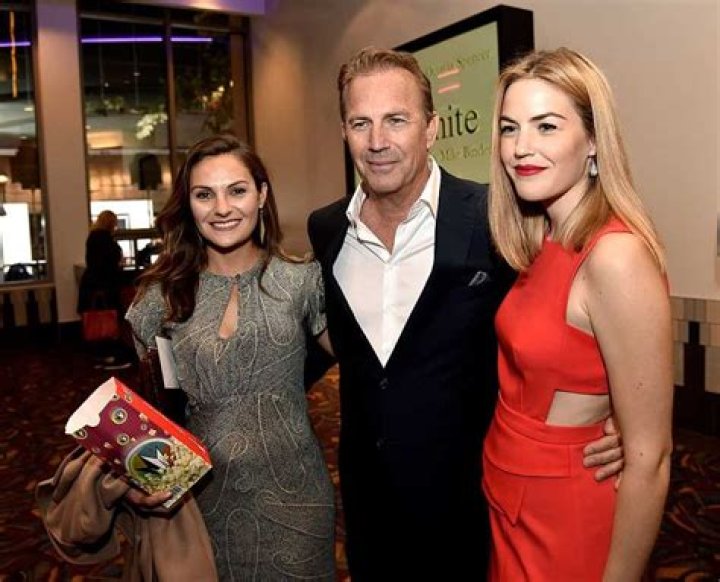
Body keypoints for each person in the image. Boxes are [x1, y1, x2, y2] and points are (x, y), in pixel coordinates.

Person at [307, 47, 624, 581]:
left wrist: (613, 410)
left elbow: (562, 315)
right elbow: (342, 344)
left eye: (396, 120)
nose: (378, 141)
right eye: (361, 123)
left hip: (472, 507)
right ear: (345, 131)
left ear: (432, 128)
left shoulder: (496, 217)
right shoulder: (327, 229)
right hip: (368, 505)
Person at [483, 47, 672, 581]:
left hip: (564, 517)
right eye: (510, 128)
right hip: (512, 502)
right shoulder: (544, 238)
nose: (521, 147)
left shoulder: (615, 256)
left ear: (592, 141)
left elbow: (651, 458)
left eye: (546, 126)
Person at [126, 135, 336, 581]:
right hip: (199, 505)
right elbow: (151, 413)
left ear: (261, 194)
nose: (222, 208)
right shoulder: (160, 297)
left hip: (297, 502)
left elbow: (372, 366)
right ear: (189, 205)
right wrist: (144, 480)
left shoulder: (301, 280)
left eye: (237, 190)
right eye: (205, 195)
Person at [77, 210, 132, 370]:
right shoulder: (105, 239)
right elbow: (108, 265)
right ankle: (109, 356)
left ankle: (100, 355)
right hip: (103, 287)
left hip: (92, 286)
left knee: (97, 322)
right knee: (108, 320)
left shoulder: (93, 237)